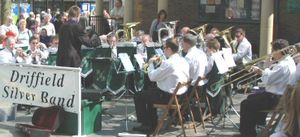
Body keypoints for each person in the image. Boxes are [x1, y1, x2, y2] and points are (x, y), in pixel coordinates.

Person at [235, 39, 296, 137]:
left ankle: (247, 133)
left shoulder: (283, 65)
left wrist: (265, 68)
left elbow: (268, 80)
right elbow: (272, 78)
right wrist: (263, 71)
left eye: (273, 50)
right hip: (277, 95)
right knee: (251, 98)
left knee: (245, 104)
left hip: (276, 97)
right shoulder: (287, 61)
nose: (272, 53)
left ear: (279, 51)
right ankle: (259, 123)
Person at [133, 38, 189, 134]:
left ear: (169, 49)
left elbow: (152, 77)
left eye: (164, 48)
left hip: (169, 96)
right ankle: (152, 122)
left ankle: (146, 124)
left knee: (138, 95)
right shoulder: (182, 60)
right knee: (150, 92)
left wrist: (150, 63)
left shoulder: (168, 63)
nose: (163, 50)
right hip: (181, 95)